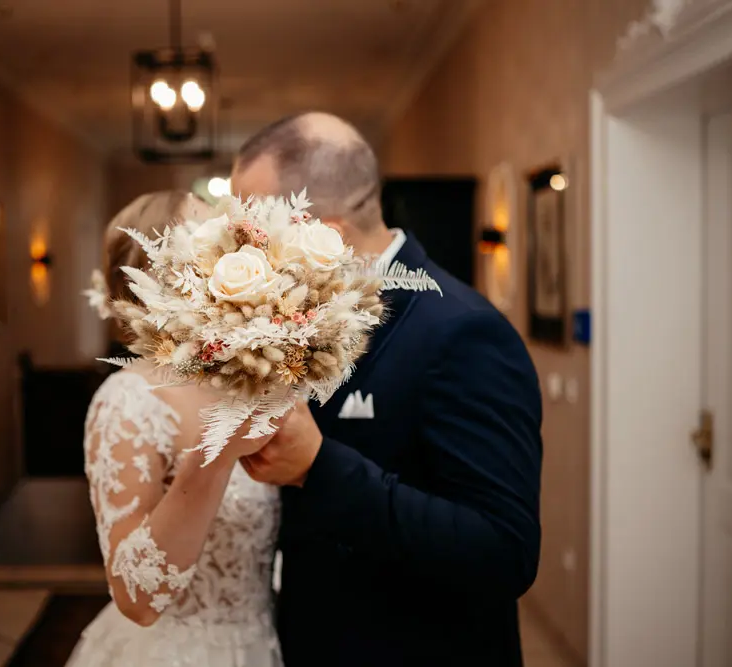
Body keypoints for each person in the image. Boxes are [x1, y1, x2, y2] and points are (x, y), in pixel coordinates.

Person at [232, 112, 544, 666]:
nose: (244, 256)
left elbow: (503, 552)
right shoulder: (306, 317)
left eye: (253, 235)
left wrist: (318, 466)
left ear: (324, 236)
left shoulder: (462, 332)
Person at [67, 191, 285, 667]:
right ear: (160, 273)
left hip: (262, 639)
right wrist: (219, 452)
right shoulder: (128, 402)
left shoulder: (251, 379)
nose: (237, 255)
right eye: (214, 245)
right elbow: (135, 594)